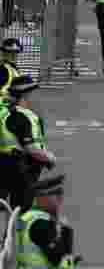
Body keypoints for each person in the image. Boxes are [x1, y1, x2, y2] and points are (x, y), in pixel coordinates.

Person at [0, 76, 57, 209]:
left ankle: (10, 228)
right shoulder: (23, 117)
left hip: (4, 163)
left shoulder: (4, 111)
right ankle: (17, 229)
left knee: (9, 207)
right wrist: (49, 157)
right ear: (26, 95)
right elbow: (31, 148)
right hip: (21, 168)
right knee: (23, 209)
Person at [0, 37, 23, 108]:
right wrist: (7, 99)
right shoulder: (2, 69)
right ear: (4, 53)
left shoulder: (15, 69)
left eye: (16, 52)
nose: (13, 55)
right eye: (10, 52)